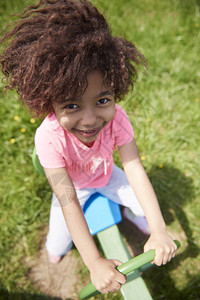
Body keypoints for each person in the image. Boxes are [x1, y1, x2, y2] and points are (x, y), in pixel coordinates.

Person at [0, 0, 177, 295]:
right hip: (74, 190)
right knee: (58, 240)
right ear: (49, 103)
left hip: (108, 176)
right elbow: (67, 199)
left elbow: (133, 168)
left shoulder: (117, 119)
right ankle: (55, 250)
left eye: (102, 100)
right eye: (71, 105)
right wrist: (94, 261)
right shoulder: (49, 138)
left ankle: (136, 218)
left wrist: (159, 230)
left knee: (141, 204)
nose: (90, 119)